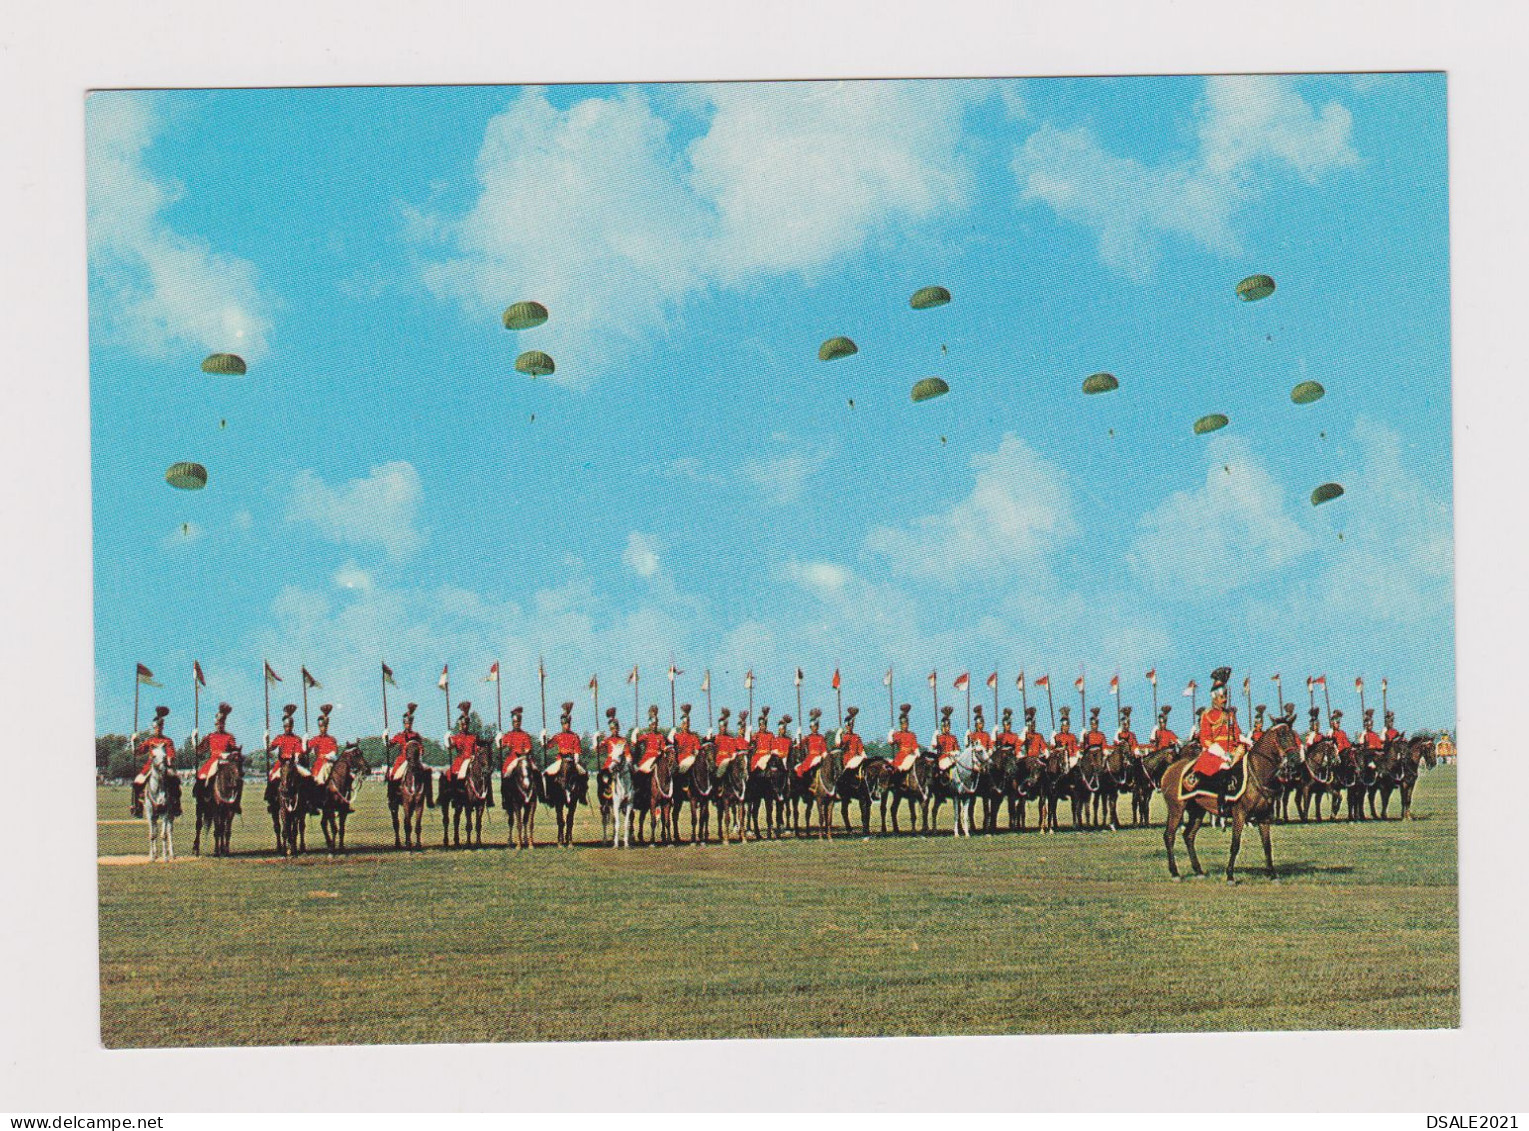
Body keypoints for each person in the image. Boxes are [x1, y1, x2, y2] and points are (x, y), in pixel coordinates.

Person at [1190, 668, 1243, 792]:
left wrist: (1247, 741)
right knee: (1223, 767)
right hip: (1215, 752)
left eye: (1225, 696)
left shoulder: (1230, 714)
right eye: (1221, 697)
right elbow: (1205, 739)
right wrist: (1222, 753)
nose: (1224, 700)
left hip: (1232, 750)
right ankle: (1220, 801)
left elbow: (1237, 733)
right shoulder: (1207, 715)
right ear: (1214, 698)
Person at [130, 705, 178, 817]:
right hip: (150, 766)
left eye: (160, 727)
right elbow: (138, 752)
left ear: (162, 728)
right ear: (154, 728)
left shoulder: (168, 740)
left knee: (175, 781)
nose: (158, 729)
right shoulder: (150, 740)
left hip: (165, 766)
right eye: (156, 728)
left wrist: (170, 759)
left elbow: (171, 753)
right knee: (137, 782)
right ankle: (137, 807)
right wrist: (133, 742)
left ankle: (176, 805)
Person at [196, 702, 238, 783]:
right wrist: (195, 739)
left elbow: (234, 749)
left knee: (237, 779)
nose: (219, 725)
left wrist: (232, 754)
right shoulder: (210, 736)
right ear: (215, 724)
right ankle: (200, 795)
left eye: (221, 723)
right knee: (202, 777)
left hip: (227, 762)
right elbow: (199, 750)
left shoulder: (229, 736)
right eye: (217, 724)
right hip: (213, 761)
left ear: (224, 724)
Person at [306, 704, 343, 797]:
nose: (323, 728)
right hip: (319, 764)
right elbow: (306, 749)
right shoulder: (315, 739)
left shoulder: (332, 739)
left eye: (325, 726)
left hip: (331, 762)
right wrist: (305, 742)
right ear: (319, 727)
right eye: (321, 727)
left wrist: (327, 756)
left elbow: (334, 753)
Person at [544, 701, 585, 781]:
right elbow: (548, 746)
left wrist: (576, 760)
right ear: (562, 724)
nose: (567, 725)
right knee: (546, 773)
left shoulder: (575, 736)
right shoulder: (558, 736)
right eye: (565, 724)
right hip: (560, 760)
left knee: (583, 774)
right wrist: (544, 738)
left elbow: (577, 750)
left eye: (568, 723)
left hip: (572, 761)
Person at [388, 703, 424, 782]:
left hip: (415, 760)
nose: (408, 725)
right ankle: (393, 792)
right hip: (402, 759)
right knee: (393, 775)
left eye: (410, 723)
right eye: (407, 723)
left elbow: (421, 748)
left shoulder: (416, 735)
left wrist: (420, 753)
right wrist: (385, 737)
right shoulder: (400, 735)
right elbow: (389, 744)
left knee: (425, 775)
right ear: (404, 724)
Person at [498, 705, 534, 775]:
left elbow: (528, 749)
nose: (516, 723)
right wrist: (499, 739)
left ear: (520, 722)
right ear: (512, 722)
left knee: (535, 771)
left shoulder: (525, 735)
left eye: (518, 722)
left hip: (524, 758)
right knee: (505, 772)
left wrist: (523, 755)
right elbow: (501, 746)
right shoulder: (508, 735)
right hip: (512, 759)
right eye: (514, 722)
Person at [795, 708, 829, 778]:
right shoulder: (808, 737)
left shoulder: (821, 737)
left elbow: (824, 750)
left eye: (816, 726)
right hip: (810, 758)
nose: (814, 728)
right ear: (810, 727)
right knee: (801, 770)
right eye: (813, 726)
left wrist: (826, 756)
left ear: (818, 726)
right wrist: (799, 735)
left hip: (820, 757)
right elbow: (799, 746)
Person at [634, 705, 667, 774]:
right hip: (648, 758)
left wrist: (664, 750)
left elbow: (663, 747)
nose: (654, 726)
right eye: (652, 725)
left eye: (655, 724)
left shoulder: (660, 736)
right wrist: (635, 733)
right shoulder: (646, 735)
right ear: (650, 725)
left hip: (658, 757)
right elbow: (636, 742)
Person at [889, 704, 921, 772]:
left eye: (906, 724)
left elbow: (915, 746)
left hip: (911, 756)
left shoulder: (912, 735)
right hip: (901, 756)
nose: (905, 726)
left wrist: (918, 755)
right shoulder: (898, 734)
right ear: (900, 725)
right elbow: (891, 742)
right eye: (903, 724)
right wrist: (890, 733)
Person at [671, 703, 702, 773]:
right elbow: (671, 747)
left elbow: (697, 749)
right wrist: (671, 735)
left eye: (687, 723)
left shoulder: (693, 737)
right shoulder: (676, 736)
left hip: (692, 761)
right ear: (681, 725)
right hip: (680, 761)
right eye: (684, 724)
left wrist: (696, 753)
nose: (686, 725)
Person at [748, 707, 776, 773]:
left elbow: (773, 746)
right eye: (760, 725)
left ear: (766, 725)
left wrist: (771, 751)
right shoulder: (756, 734)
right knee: (752, 765)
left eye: (763, 725)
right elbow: (752, 743)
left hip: (767, 755)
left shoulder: (770, 734)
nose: (761, 726)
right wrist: (751, 739)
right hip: (757, 756)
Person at [933, 706, 961, 771]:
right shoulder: (938, 737)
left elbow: (957, 750)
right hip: (941, 760)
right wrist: (935, 736)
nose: (945, 728)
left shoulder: (953, 738)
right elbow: (934, 747)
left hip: (952, 759)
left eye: (947, 726)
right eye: (944, 726)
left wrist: (952, 753)